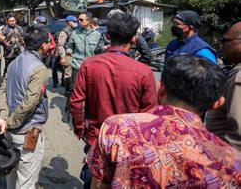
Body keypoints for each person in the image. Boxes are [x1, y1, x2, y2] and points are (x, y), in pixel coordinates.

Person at [88, 55, 241, 188]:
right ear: (217, 103)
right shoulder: (231, 163)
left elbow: (100, 183)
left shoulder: (117, 127)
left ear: (160, 88)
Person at [70, 13, 158, 188]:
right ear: (134, 39)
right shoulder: (143, 72)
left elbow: (76, 102)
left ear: (108, 36)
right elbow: (150, 115)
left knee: (92, 179)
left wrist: (80, 129)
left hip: (96, 138)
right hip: (129, 144)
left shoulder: (89, 64)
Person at [0, 25, 50, 189]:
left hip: (10, 132)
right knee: (26, 182)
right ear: (44, 45)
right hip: (26, 132)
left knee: (11, 176)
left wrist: (4, 117)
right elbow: (29, 103)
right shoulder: (39, 69)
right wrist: (9, 121)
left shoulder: (14, 62)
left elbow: (2, 91)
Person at [206, 21, 241, 149]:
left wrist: (227, 165)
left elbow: (238, 134)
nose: (222, 46)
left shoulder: (239, 77)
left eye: (225, 41)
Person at [63, 12, 101, 123]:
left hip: (92, 68)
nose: (78, 22)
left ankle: (87, 117)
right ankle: (67, 112)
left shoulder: (97, 35)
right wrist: (68, 52)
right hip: (77, 65)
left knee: (90, 93)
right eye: (78, 20)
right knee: (73, 90)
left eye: (81, 20)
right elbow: (70, 46)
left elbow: (100, 51)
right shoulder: (75, 33)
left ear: (89, 21)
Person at [53, 15, 78, 89]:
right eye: (74, 21)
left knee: (72, 74)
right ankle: (68, 91)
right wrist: (63, 57)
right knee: (68, 74)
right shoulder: (64, 31)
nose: (75, 23)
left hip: (73, 54)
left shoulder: (74, 30)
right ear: (68, 22)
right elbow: (60, 45)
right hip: (67, 55)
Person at [0, 14, 25, 79]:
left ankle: (16, 81)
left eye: (13, 20)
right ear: (7, 22)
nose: (12, 22)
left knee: (18, 68)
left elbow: (23, 38)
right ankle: (5, 82)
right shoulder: (3, 29)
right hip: (9, 53)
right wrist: (5, 44)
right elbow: (0, 41)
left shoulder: (19, 28)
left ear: (15, 21)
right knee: (8, 68)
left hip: (19, 52)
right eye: (10, 21)